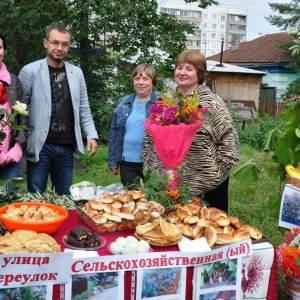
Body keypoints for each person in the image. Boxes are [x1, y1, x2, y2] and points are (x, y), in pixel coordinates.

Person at [141, 50, 239, 212]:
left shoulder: (212, 103)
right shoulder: (166, 102)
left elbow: (229, 141)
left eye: (189, 68)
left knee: (206, 233)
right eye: (179, 68)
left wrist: (217, 173)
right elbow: (149, 137)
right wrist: (150, 164)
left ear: (199, 74)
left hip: (205, 186)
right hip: (168, 185)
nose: (182, 72)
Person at [18, 25, 98, 195]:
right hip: (41, 145)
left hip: (66, 147)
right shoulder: (30, 71)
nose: (59, 48)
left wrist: (91, 134)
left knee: (64, 198)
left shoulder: (76, 73)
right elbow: (20, 110)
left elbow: (84, 107)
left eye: (65, 44)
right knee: (36, 197)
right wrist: (20, 140)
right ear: (45, 43)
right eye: (55, 43)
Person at [108, 63, 159, 187]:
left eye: (145, 79)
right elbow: (114, 132)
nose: (140, 82)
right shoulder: (123, 102)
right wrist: (113, 161)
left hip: (153, 164)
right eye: (137, 79)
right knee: (130, 201)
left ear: (153, 82)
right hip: (127, 163)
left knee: (154, 201)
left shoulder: (162, 103)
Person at [0, 33, 28, 191]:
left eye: (0, 47)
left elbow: (23, 118)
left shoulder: (13, 82)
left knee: (7, 205)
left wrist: (17, 148)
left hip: (10, 157)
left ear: (4, 51)